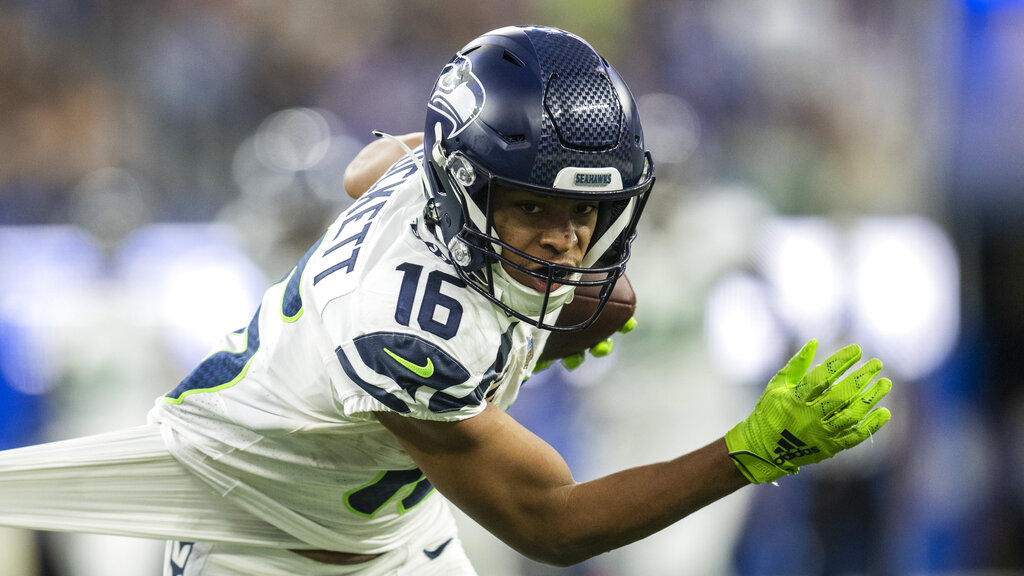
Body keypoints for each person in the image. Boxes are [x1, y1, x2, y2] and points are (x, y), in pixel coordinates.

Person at [0, 25, 893, 575]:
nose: (564, 239)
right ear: (468, 186)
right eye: (535, 206)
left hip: (390, 528)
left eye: (585, 210)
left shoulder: (424, 172)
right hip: (272, 553)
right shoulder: (405, 327)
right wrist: (748, 453)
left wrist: (537, 338)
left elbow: (369, 167)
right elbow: (553, 524)